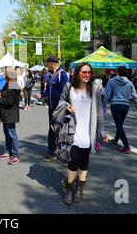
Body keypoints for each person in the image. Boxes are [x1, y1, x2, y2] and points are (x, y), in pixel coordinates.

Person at [53, 62, 108, 205]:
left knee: (84, 162)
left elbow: (99, 112)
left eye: (89, 72)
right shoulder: (69, 87)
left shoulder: (94, 89)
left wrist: (102, 132)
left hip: (89, 132)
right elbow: (60, 102)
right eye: (84, 72)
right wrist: (67, 107)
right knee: (73, 159)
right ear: (77, 73)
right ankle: (70, 188)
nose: (87, 75)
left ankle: (80, 187)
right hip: (73, 130)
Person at [103, 66, 137, 154]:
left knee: (119, 125)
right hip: (125, 106)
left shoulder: (111, 81)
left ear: (117, 72)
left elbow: (106, 95)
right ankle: (116, 140)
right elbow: (135, 97)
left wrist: (103, 106)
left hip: (115, 105)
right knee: (119, 124)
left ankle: (126, 146)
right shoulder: (129, 83)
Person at [37, 56, 69, 162]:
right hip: (51, 107)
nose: (46, 65)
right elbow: (48, 89)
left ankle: (65, 155)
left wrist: (64, 105)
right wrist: (41, 94)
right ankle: (52, 152)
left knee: (62, 131)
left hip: (59, 108)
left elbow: (66, 91)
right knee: (52, 129)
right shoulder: (50, 75)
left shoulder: (62, 75)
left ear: (52, 63)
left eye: (47, 63)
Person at [0, 67, 21, 165]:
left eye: (5, 73)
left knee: (12, 134)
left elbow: (9, 101)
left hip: (10, 114)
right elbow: (7, 96)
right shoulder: (8, 84)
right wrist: (0, 93)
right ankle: (8, 151)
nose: (4, 75)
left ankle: (15, 155)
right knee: (7, 133)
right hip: (5, 113)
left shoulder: (13, 85)